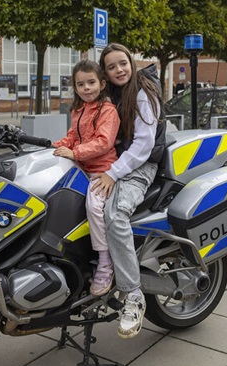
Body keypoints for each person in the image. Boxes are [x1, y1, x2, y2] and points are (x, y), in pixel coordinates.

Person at [94, 43, 164, 339]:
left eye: (122, 63)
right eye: (111, 67)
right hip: (116, 162)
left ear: (131, 63)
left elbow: (144, 145)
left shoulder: (143, 92)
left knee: (115, 214)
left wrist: (112, 173)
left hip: (140, 166)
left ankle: (133, 295)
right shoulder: (111, 94)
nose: (119, 70)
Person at [52, 60, 120, 297]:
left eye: (91, 82)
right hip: (81, 167)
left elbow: (103, 142)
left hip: (102, 171)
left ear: (102, 84)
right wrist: (53, 147)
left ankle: (105, 262)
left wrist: (75, 153)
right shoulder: (78, 110)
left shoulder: (108, 111)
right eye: (81, 84)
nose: (86, 88)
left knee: (94, 206)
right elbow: (72, 136)